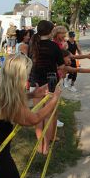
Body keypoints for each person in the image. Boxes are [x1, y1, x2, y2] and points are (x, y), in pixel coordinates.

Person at [29, 21, 65, 154]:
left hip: (35, 83)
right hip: (50, 82)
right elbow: (61, 67)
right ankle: (47, 147)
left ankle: (40, 146)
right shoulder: (54, 46)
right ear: (50, 32)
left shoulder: (32, 45)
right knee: (48, 116)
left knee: (38, 116)